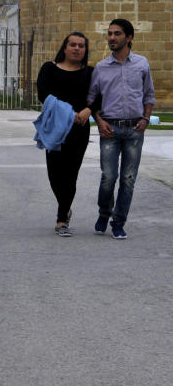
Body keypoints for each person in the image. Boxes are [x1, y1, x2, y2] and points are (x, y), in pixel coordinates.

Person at [88, 18, 155, 240]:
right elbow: (92, 99)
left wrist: (145, 119)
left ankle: (118, 222)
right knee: (108, 176)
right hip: (110, 129)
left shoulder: (142, 64)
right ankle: (104, 213)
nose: (112, 38)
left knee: (128, 178)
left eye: (117, 33)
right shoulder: (101, 68)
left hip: (135, 129)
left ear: (129, 37)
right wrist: (99, 121)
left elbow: (149, 95)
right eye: (109, 34)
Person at [36, 32, 98, 237]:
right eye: (73, 44)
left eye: (81, 46)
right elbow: (43, 95)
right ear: (65, 47)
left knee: (71, 174)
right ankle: (66, 207)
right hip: (55, 127)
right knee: (55, 174)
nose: (77, 48)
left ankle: (62, 219)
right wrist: (69, 114)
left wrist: (88, 111)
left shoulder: (90, 72)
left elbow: (99, 95)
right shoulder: (49, 68)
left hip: (79, 129)